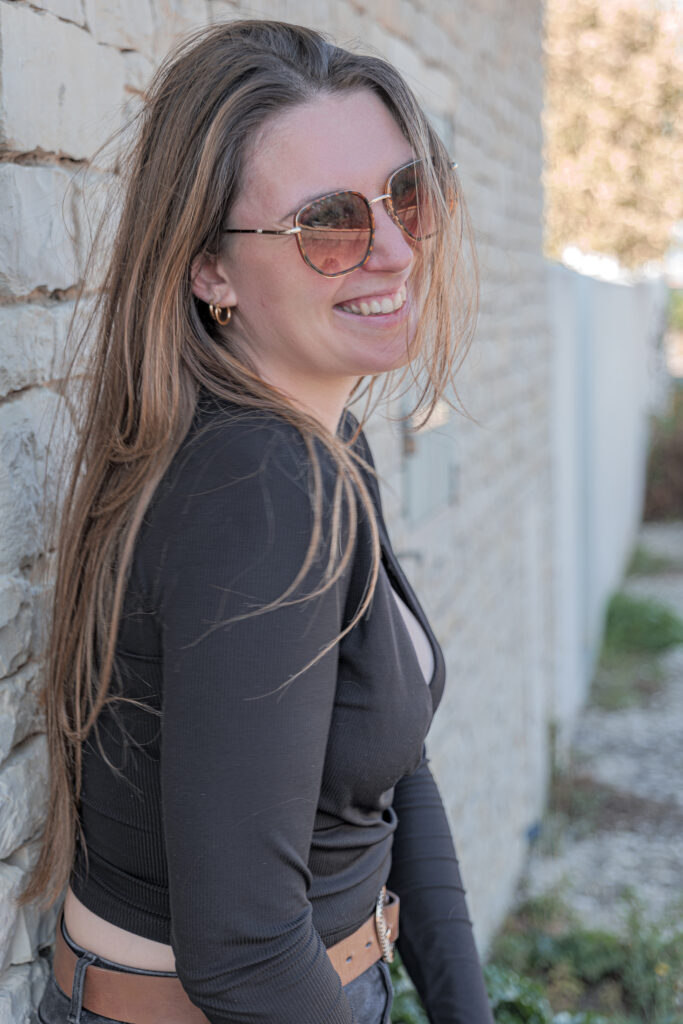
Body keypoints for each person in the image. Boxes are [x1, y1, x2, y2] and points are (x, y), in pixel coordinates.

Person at [19, 18, 493, 1024]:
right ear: (210, 272)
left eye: (405, 194)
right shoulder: (259, 488)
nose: (396, 250)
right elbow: (242, 952)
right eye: (328, 223)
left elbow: (392, 775)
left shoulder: (321, 443)